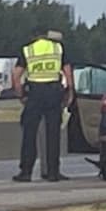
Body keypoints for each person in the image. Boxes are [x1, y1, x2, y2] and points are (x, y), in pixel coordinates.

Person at [12, 29, 75, 182]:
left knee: (29, 133)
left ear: (34, 36)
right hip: (54, 93)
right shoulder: (58, 48)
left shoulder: (28, 50)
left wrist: (20, 95)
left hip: (34, 93)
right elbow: (68, 72)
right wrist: (70, 92)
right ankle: (53, 172)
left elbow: (16, 75)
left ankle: (26, 172)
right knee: (53, 133)